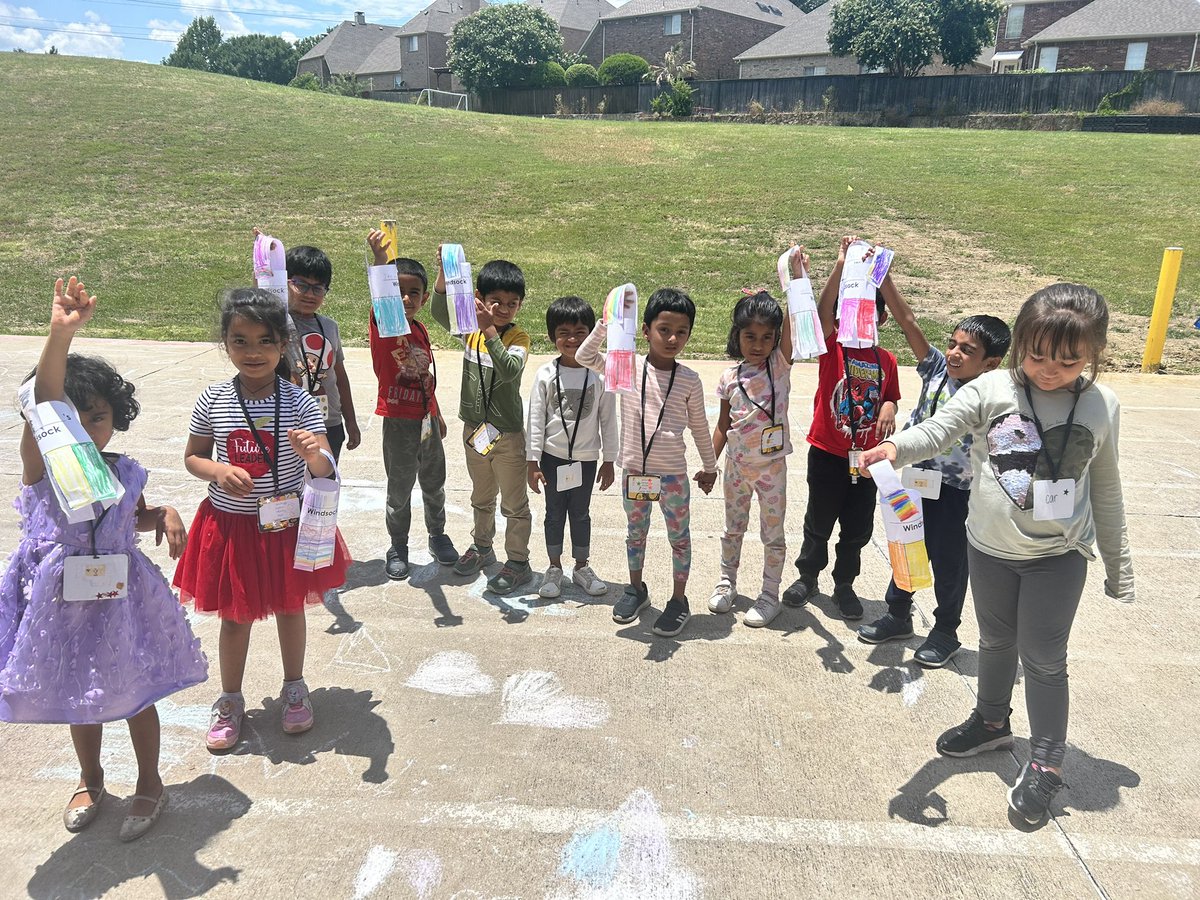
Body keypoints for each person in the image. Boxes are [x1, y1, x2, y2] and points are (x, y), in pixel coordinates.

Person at [861, 282, 1134, 825]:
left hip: (1059, 553)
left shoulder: (1102, 405)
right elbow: (941, 429)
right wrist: (896, 446)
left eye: (1069, 360)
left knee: (1043, 657)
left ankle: (1048, 762)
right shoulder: (992, 389)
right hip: (988, 547)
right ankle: (991, 722)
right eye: (1037, 356)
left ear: (1095, 353)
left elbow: (1105, 485)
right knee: (995, 639)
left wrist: (1118, 563)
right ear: (1019, 348)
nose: (1050, 370)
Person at [1, 277, 207, 841]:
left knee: (134, 689)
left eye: (95, 416)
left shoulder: (122, 470)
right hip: (60, 596)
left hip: (119, 594)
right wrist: (59, 335)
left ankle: (150, 781)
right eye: (71, 417)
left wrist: (161, 513)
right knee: (80, 693)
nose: (85, 429)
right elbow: (45, 402)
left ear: (114, 415)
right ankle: (91, 777)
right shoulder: (42, 464)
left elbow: (130, 517)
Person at [173, 288, 350, 753]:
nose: (253, 352)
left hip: (286, 528)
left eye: (265, 341)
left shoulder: (299, 401)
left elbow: (326, 468)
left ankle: (295, 687)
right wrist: (217, 470)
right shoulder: (212, 398)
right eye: (240, 340)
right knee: (235, 617)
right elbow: (193, 457)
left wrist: (314, 454)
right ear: (225, 343)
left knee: (292, 609)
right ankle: (230, 699)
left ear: (283, 344)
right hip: (230, 528)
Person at [857, 275, 1011, 667]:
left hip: (957, 491)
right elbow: (908, 321)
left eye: (968, 350)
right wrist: (883, 276)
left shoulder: (994, 394)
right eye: (953, 344)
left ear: (991, 363)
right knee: (905, 546)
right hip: (913, 482)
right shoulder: (937, 369)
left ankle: (945, 631)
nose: (955, 353)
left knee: (949, 561)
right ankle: (898, 613)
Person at [576, 288, 718, 638]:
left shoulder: (689, 379)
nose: (672, 338)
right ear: (644, 331)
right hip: (635, 475)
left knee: (679, 538)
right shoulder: (625, 367)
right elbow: (583, 355)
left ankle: (679, 600)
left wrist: (710, 466)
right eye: (664, 329)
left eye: (681, 332)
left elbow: (700, 425)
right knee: (635, 535)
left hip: (672, 477)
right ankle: (636, 589)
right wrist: (606, 323)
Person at [781, 236, 900, 620]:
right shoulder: (834, 345)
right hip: (828, 452)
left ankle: (844, 583)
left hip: (867, 460)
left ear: (880, 319)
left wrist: (888, 407)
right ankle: (808, 576)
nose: (859, 318)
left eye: (867, 312)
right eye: (853, 311)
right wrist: (839, 265)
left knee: (856, 529)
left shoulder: (888, 359)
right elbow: (822, 310)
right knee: (819, 520)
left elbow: (891, 396)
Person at [709, 248, 807, 628]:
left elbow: (799, 324)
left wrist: (797, 278)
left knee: (772, 534)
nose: (758, 344)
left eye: (767, 337)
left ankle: (770, 595)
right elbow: (722, 426)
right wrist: (707, 464)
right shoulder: (728, 378)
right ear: (738, 336)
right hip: (735, 468)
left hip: (771, 470)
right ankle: (726, 583)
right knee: (732, 529)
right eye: (750, 336)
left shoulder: (779, 366)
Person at [430, 251, 533, 595]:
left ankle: (518, 561)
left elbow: (509, 371)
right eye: (495, 302)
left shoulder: (518, 339)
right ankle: (482, 547)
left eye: (512, 303)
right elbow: (440, 310)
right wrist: (446, 273)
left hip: (507, 434)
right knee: (481, 496)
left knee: (514, 504)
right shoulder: (470, 331)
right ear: (479, 299)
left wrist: (489, 330)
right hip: (475, 431)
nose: (503, 309)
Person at [366, 230, 458, 580]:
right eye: (399, 292)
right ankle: (399, 545)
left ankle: (437, 535)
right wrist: (380, 261)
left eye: (414, 293)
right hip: (399, 423)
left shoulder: (420, 329)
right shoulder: (384, 325)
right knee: (400, 488)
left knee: (435, 482)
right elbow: (383, 298)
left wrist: (436, 412)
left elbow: (425, 374)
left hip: (426, 420)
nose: (406, 298)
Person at [526, 296, 618, 599]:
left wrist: (609, 460)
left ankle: (581, 567)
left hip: (585, 460)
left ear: (592, 334)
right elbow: (536, 420)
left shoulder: (600, 374)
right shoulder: (545, 375)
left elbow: (608, 418)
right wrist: (533, 461)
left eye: (581, 332)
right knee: (554, 514)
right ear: (552, 336)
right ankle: (554, 568)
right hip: (552, 459)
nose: (573, 339)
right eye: (564, 332)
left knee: (580, 514)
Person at [284, 245, 361, 462]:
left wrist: (351, 420)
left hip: (329, 422)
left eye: (318, 288)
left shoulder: (329, 326)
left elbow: (340, 377)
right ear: (285, 283)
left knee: (324, 486)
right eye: (301, 285)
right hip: (291, 425)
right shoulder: (277, 322)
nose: (310, 294)